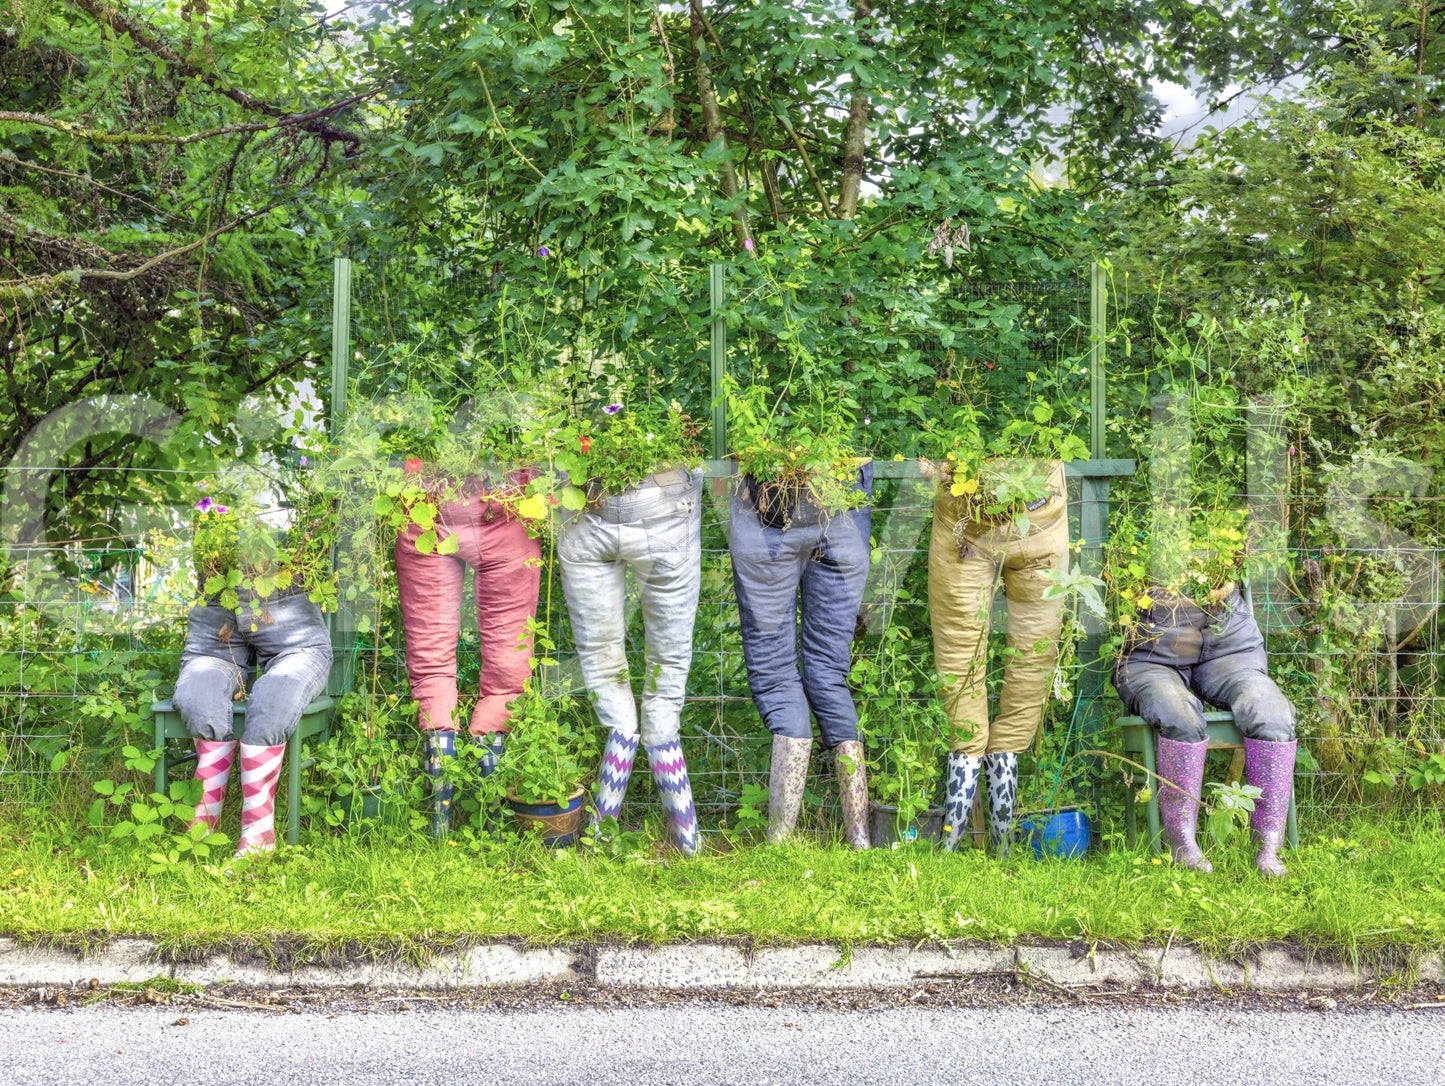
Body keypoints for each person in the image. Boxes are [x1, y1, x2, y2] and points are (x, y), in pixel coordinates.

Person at [558, 466, 705, 856]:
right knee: (668, 668)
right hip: (666, 510)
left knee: (603, 667)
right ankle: (688, 843)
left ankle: (598, 840)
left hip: (585, 506)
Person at [176, 497, 333, 856]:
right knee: (198, 697)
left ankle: (258, 835)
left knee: (274, 697)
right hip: (217, 631)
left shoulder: (295, 556)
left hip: (296, 642)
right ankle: (203, 823)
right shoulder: (218, 567)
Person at [928, 458, 1069, 854]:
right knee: (1030, 662)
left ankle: (959, 841)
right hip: (1040, 505)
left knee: (962, 655)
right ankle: (1000, 843)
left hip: (967, 508)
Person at [730, 462, 873, 849]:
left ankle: (780, 842)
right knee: (827, 674)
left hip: (766, 498)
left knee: (776, 674)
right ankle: (859, 841)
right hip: (844, 489)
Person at [1114, 582, 1297, 877]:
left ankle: (1268, 846)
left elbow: (1242, 550)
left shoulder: (1227, 541)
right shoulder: (1140, 539)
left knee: (1271, 713)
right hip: (1152, 653)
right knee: (1178, 713)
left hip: (1229, 649)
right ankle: (1182, 844)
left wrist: (1228, 580)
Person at [394, 471, 541, 836]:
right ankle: (488, 814)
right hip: (504, 503)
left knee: (430, 661)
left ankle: (439, 818)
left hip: (426, 504)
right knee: (509, 663)